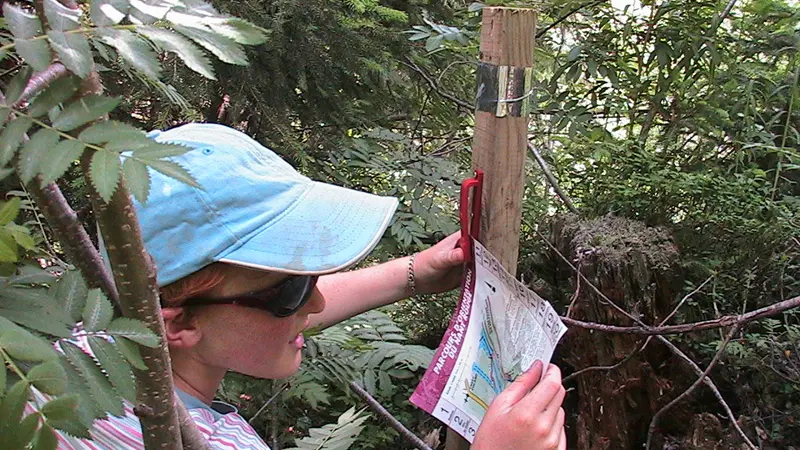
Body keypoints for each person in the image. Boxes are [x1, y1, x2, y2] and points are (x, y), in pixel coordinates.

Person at [48, 123, 566, 449]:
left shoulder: (71, 354)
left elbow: (250, 317)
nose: (315, 299)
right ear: (177, 323)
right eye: (291, 290)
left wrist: (411, 272)